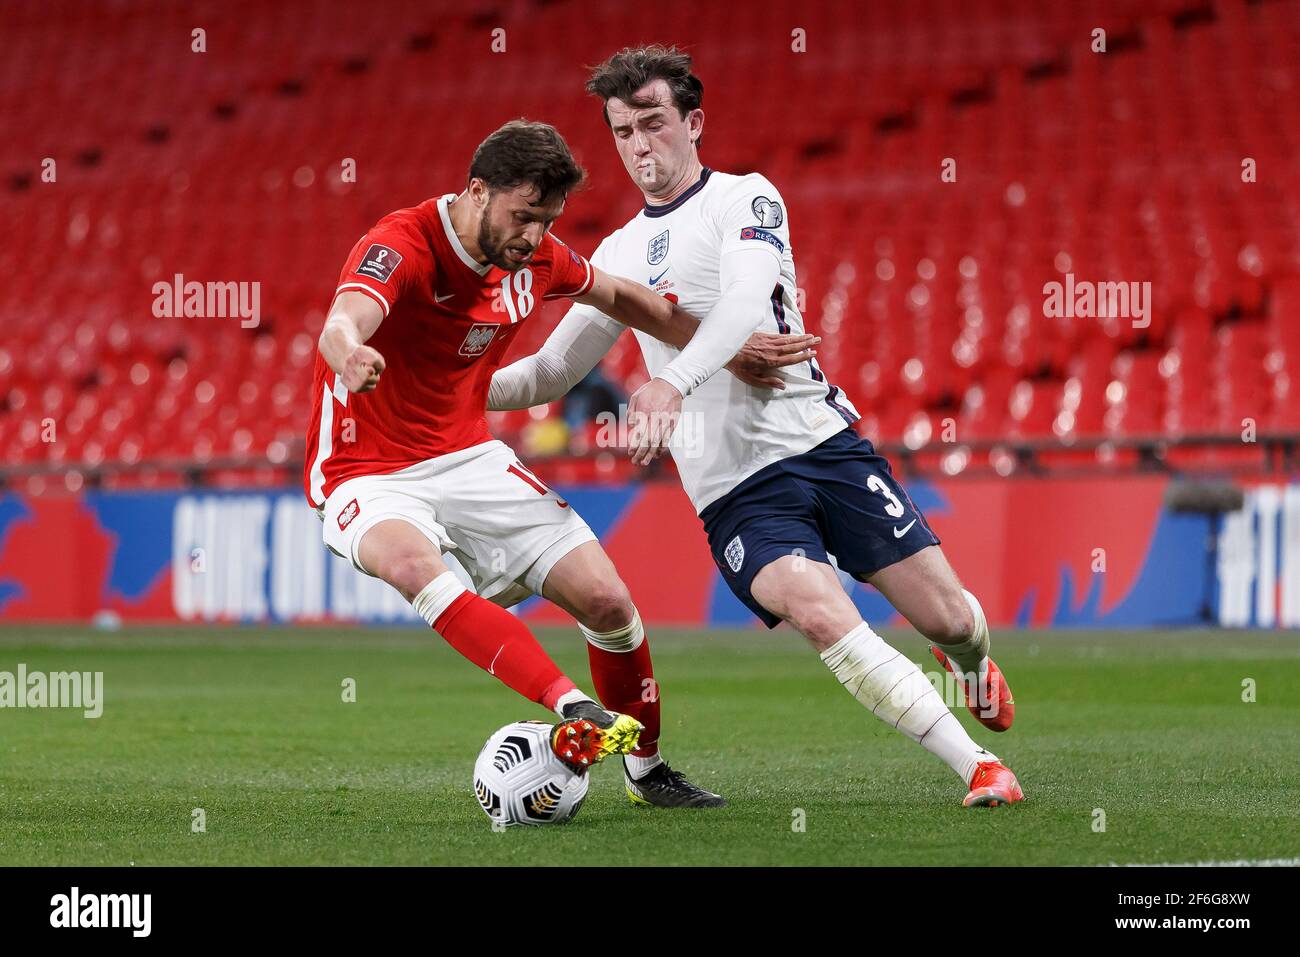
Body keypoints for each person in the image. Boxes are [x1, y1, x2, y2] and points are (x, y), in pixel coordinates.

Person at [490, 49, 1024, 807]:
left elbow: (746, 301)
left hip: (820, 443)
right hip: (735, 491)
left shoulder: (744, 199)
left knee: (948, 616)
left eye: (654, 123)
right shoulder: (615, 253)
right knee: (817, 609)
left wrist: (670, 381)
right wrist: (458, 384)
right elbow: (548, 374)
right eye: (623, 132)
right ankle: (977, 766)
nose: (641, 146)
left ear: (693, 123)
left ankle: (969, 662)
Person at [305, 119, 810, 806]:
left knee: (607, 600)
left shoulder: (537, 258)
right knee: (412, 564)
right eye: (522, 217)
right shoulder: (403, 243)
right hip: (365, 468)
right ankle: (573, 707)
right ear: (477, 191)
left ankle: (647, 769)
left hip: (466, 455)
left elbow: (626, 298)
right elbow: (342, 320)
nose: (533, 237)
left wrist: (725, 346)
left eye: (546, 221)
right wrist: (351, 354)